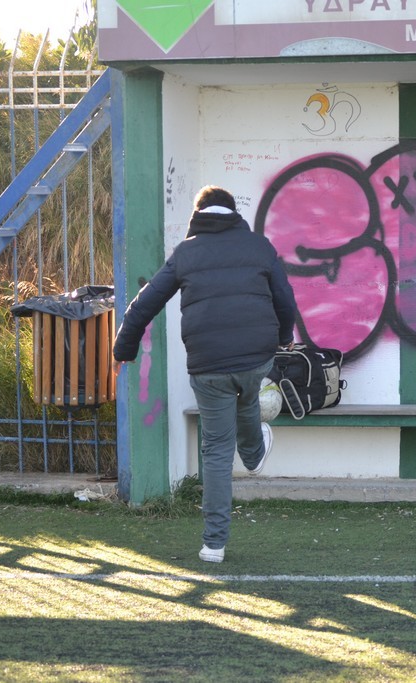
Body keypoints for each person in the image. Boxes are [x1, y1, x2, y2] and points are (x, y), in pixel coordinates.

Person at [113, 185, 296, 563]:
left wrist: (124, 351)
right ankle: (254, 454)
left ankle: (214, 545)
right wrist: (284, 337)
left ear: (198, 215)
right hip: (256, 358)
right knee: (247, 392)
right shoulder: (259, 246)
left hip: (208, 364)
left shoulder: (186, 253)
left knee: (216, 450)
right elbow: (285, 298)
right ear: (233, 213)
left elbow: (143, 304)